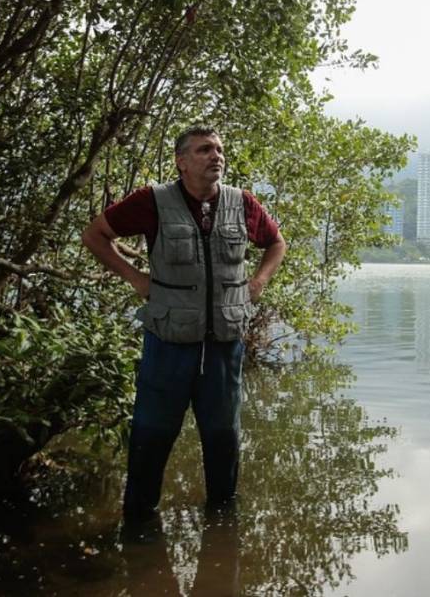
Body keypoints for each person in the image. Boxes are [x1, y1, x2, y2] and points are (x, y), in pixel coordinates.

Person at [82, 125, 286, 536]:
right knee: (151, 438)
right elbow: (95, 236)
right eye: (204, 150)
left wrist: (258, 282)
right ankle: (138, 531)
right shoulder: (151, 201)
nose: (216, 156)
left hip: (225, 345)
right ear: (182, 161)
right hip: (168, 344)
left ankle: (223, 529)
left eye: (219, 150)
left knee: (223, 439)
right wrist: (136, 278)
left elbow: (276, 243)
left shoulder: (242, 203)